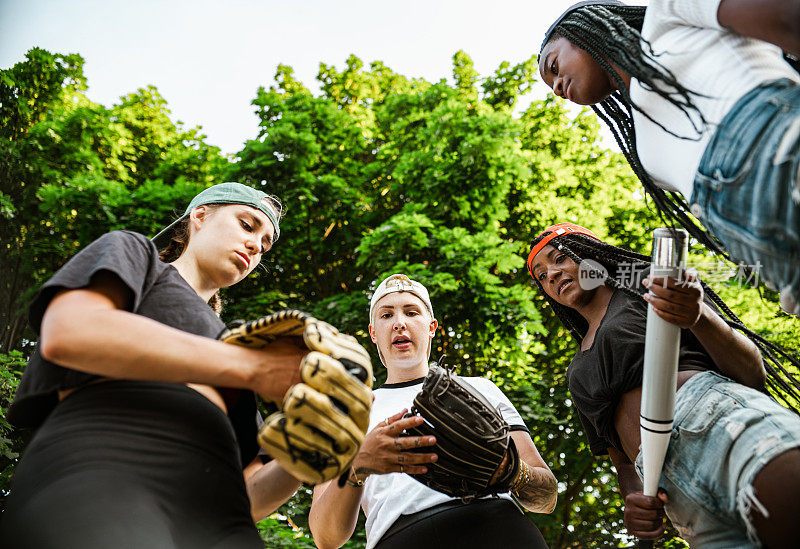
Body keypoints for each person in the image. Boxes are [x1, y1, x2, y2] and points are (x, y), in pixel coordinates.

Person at [1, 182, 310, 548]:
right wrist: (252, 367)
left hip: (218, 521)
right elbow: (70, 332)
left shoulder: (235, 345)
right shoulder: (137, 255)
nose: (257, 245)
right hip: (110, 469)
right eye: (247, 225)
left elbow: (250, 496)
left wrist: (306, 448)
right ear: (199, 216)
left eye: (265, 243)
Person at [526, 222, 800, 547]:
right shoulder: (577, 370)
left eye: (559, 259)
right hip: (676, 492)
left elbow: (752, 374)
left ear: (592, 256)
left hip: (717, 423)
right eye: (541, 275)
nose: (552, 275)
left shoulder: (656, 288)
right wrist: (636, 503)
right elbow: (624, 463)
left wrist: (698, 315)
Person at [538, 0, 800, 315]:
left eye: (554, 67)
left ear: (584, 29)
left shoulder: (667, 13)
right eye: (552, 86)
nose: (556, 88)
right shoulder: (643, 149)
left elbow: (788, 17)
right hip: (782, 263)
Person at [308, 273, 557, 549]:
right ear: (373, 333)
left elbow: (547, 499)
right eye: (386, 315)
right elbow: (325, 538)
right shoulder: (348, 413)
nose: (399, 323)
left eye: (411, 312)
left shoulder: (480, 389)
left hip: (499, 529)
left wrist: (511, 473)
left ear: (431, 326)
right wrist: (357, 466)